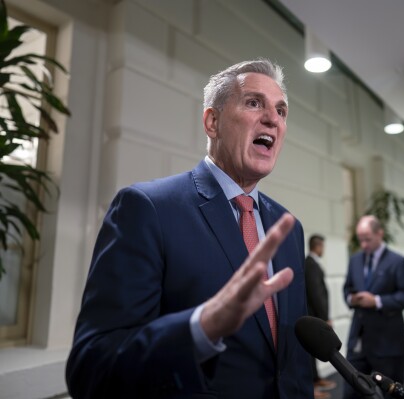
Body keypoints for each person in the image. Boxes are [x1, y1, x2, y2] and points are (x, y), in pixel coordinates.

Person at [66, 59, 313, 399]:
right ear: (212, 122)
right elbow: (92, 368)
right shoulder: (147, 208)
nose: (272, 118)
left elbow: (291, 361)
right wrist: (203, 326)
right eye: (254, 103)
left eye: (281, 110)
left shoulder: (289, 228)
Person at [342, 215, 404, 399]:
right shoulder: (355, 260)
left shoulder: (398, 262)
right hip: (358, 342)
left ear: (380, 233)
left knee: (391, 394)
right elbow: (347, 288)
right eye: (361, 240)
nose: (364, 244)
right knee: (351, 393)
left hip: (387, 344)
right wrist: (352, 299)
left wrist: (377, 301)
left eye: (367, 239)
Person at [304, 234, 336, 399]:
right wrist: (325, 317)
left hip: (314, 315)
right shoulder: (310, 265)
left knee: (313, 351)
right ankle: (313, 384)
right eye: (322, 246)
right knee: (311, 351)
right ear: (317, 246)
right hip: (314, 316)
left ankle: (316, 379)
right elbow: (316, 294)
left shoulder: (312, 263)